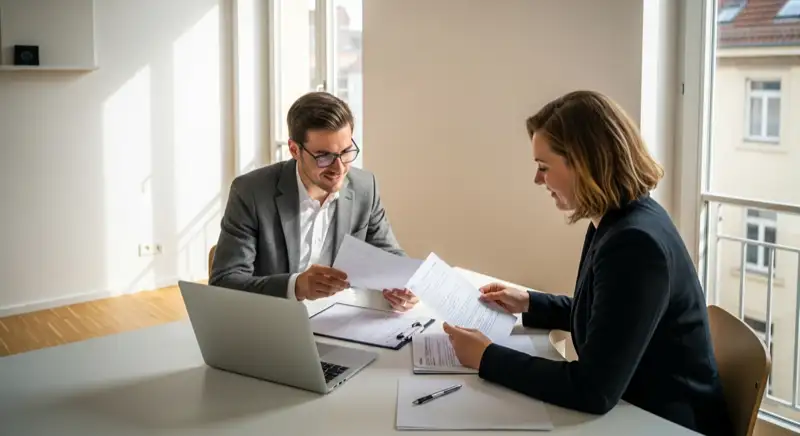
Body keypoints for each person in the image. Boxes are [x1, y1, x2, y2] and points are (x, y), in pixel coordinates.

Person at [443, 90, 731, 435]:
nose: (538, 180)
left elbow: (593, 389)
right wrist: (529, 302)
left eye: (543, 167)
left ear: (584, 163)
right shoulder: (618, 218)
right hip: (637, 407)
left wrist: (486, 357)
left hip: (667, 421)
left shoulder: (635, 243)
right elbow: (609, 319)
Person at [210, 91, 418, 311]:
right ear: (294, 150)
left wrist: (405, 287)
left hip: (342, 318)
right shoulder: (251, 192)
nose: (339, 169)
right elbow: (224, 282)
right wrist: (296, 286)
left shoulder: (365, 187)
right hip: (274, 322)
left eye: (346, 151)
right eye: (324, 156)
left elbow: (392, 256)